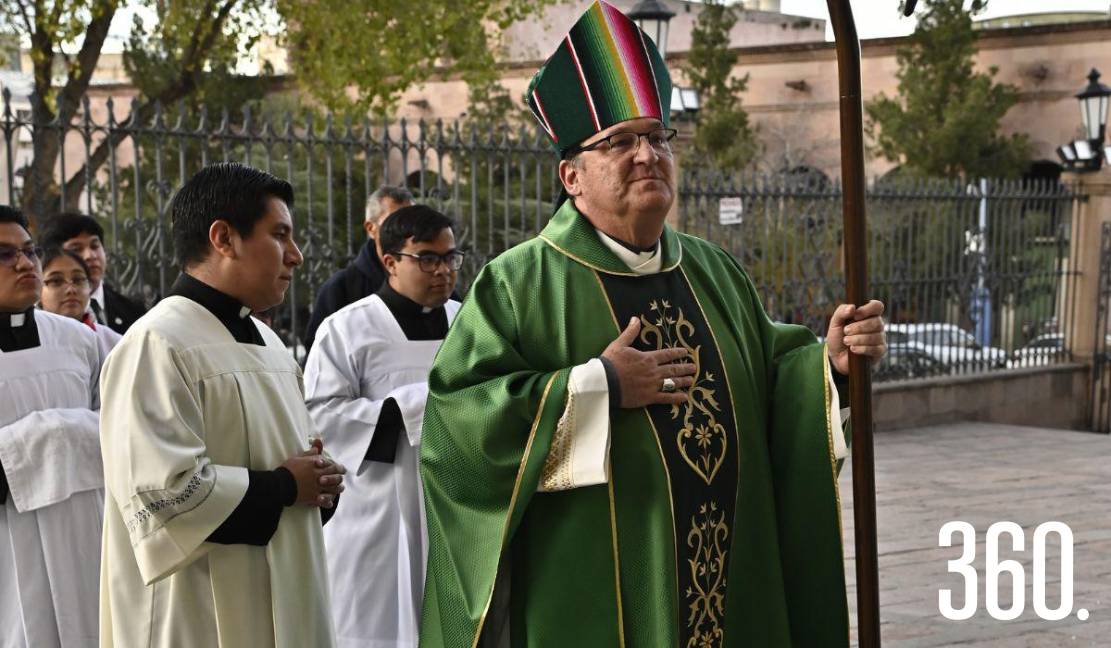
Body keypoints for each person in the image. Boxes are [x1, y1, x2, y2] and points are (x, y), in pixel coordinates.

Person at [417, 3, 888, 647]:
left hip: (730, 588)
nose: (647, 154)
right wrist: (597, 386)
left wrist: (829, 365)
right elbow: (458, 432)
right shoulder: (518, 284)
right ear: (572, 176)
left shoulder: (717, 272)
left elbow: (774, 380)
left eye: (658, 137)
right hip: (590, 601)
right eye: (619, 141)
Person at [98, 163, 346, 648]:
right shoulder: (157, 343)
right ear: (224, 238)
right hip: (197, 610)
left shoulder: (272, 346)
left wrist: (318, 484)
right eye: (279, 235)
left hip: (288, 589)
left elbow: (293, 467)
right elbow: (162, 494)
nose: (295, 256)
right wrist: (281, 487)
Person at [304, 205, 463, 648]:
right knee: (372, 628)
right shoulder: (348, 329)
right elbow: (319, 416)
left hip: (452, 505)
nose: (443, 271)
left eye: (451, 258)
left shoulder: (468, 323)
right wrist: (415, 408)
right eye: (428, 258)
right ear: (390, 261)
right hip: (376, 513)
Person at [0, 205, 105, 647]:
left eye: (29, 250)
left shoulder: (80, 341)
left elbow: (121, 427)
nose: (25, 263)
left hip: (86, 537)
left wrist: (58, 432)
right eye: (5, 255)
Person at [302, 185, 413, 351]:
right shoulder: (339, 289)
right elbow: (318, 358)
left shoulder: (434, 281)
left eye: (411, 223)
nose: (406, 232)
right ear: (371, 229)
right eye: (394, 223)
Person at [40, 212, 147, 334]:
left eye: (94, 246)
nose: (90, 256)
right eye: (76, 249)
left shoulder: (133, 311)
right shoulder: (37, 322)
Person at [38, 246, 122, 355]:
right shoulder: (29, 341)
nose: (71, 289)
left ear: (90, 287)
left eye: (78, 280)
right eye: (56, 281)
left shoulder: (112, 343)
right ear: (38, 290)